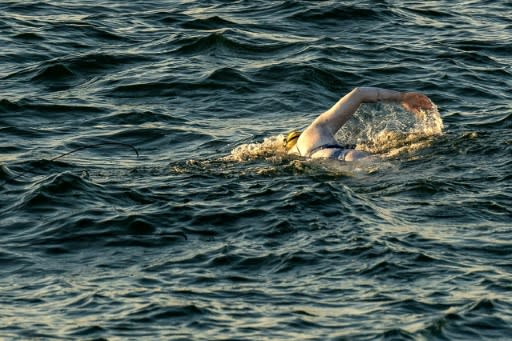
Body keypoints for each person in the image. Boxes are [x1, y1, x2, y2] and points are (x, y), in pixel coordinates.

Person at [284, 87, 434, 161]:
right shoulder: (314, 131)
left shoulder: (300, 155)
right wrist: (402, 97)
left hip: (335, 165)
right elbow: (359, 93)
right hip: (351, 156)